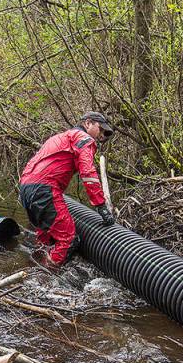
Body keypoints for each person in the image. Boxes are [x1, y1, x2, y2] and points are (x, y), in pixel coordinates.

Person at [18, 112, 116, 267]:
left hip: (26, 188)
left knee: (46, 237)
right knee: (68, 239)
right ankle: (46, 277)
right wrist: (101, 206)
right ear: (88, 123)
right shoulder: (84, 139)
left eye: (105, 133)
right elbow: (88, 173)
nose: (101, 135)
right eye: (100, 129)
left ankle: (34, 268)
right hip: (45, 189)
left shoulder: (60, 137)